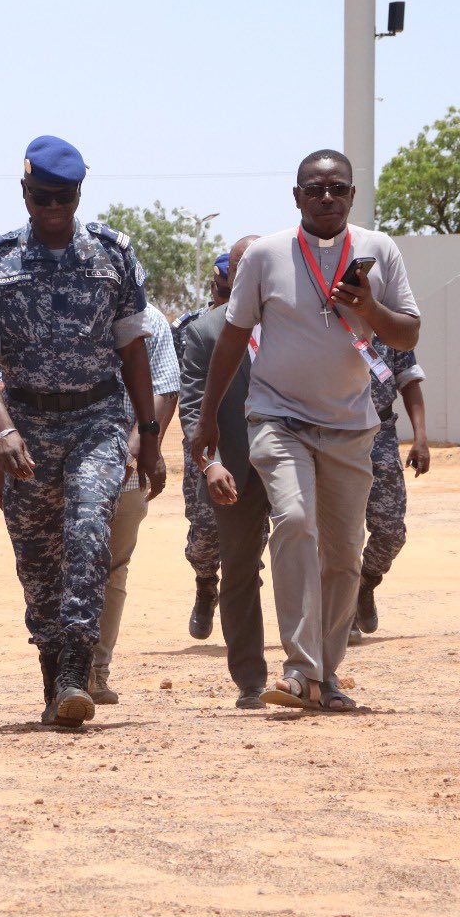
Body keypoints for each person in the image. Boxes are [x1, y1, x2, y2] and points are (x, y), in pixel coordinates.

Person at [192, 148, 420, 712]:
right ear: (296, 197)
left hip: (350, 425)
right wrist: (206, 422)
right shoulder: (266, 255)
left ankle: (326, 673)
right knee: (294, 520)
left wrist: (369, 307)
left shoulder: (379, 250)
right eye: (314, 189)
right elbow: (230, 337)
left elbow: (409, 333)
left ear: (351, 196)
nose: (326, 197)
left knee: (344, 554)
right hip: (279, 417)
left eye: (336, 189)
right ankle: (297, 671)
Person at [0, 135, 164, 729]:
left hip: (97, 420)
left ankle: (78, 666)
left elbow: (133, 350)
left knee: (87, 529)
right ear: (24, 192)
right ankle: (54, 675)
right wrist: (1, 433)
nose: (54, 208)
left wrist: (148, 438)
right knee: (37, 559)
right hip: (24, 425)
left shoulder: (112, 254)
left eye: (65, 197)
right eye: (43, 197)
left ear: (80, 193)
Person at [179, 239, 271, 707]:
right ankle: (251, 681)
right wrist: (210, 463)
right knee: (239, 569)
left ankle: (311, 665)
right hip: (234, 468)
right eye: (243, 265)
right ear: (231, 274)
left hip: (297, 459)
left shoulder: (294, 323)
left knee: (308, 554)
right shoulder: (205, 332)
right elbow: (195, 406)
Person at [89, 301, 180, 704]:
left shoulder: (151, 321)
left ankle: (94, 670)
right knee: (64, 562)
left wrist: (140, 446)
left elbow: (165, 385)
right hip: (58, 459)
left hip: (126, 466)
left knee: (112, 567)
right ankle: (65, 666)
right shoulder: (56, 300)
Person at [174, 242, 252, 639]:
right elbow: (184, 394)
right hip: (210, 447)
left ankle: (243, 630)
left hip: (266, 451)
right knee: (205, 538)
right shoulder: (197, 329)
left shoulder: (287, 321)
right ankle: (206, 586)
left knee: (251, 547)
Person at [353, 337, 430, 641]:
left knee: (391, 531)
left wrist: (420, 437)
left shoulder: (389, 332)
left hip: (381, 435)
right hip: (333, 436)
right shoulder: (325, 322)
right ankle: (342, 613)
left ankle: (366, 584)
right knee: (336, 534)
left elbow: (409, 382)